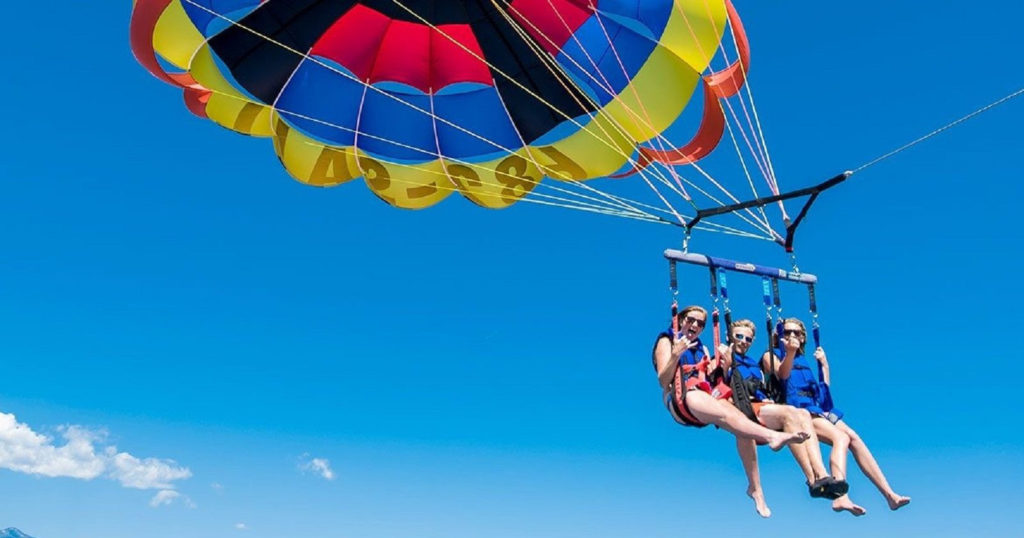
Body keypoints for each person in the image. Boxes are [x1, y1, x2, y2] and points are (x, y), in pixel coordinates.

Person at [767, 318, 911, 514]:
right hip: (799, 411)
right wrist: (789, 353)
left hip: (816, 408)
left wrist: (825, 366)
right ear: (779, 336)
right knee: (840, 437)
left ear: (803, 338)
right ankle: (840, 496)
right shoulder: (771, 355)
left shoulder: (806, 361)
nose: (792, 336)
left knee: (854, 437)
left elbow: (822, 391)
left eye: (797, 333)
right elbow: (782, 375)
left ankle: (889, 495)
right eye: (787, 332)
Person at [719, 319, 844, 516]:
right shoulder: (724, 356)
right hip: (747, 408)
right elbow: (716, 379)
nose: (744, 341)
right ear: (729, 337)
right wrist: (723, 365)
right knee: (790, 414)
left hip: (765, 405)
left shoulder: (753, 363)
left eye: (748, 338)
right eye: (739, 337)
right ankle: (813, 478)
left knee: (801, 413)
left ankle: (819, 476)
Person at [652, 306, 810, 454]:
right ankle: (771, 436)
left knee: (739, 418)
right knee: (724, 414)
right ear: (680, 320)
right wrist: (675, 355)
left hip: (704, 393)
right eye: (690, 320)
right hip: (681, 397)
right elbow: (663, 381)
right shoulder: (668, 341)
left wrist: (726, 364)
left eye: (700, 323)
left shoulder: (703, 349)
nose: (695, 325)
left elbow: (713, 380)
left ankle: (755, 484)